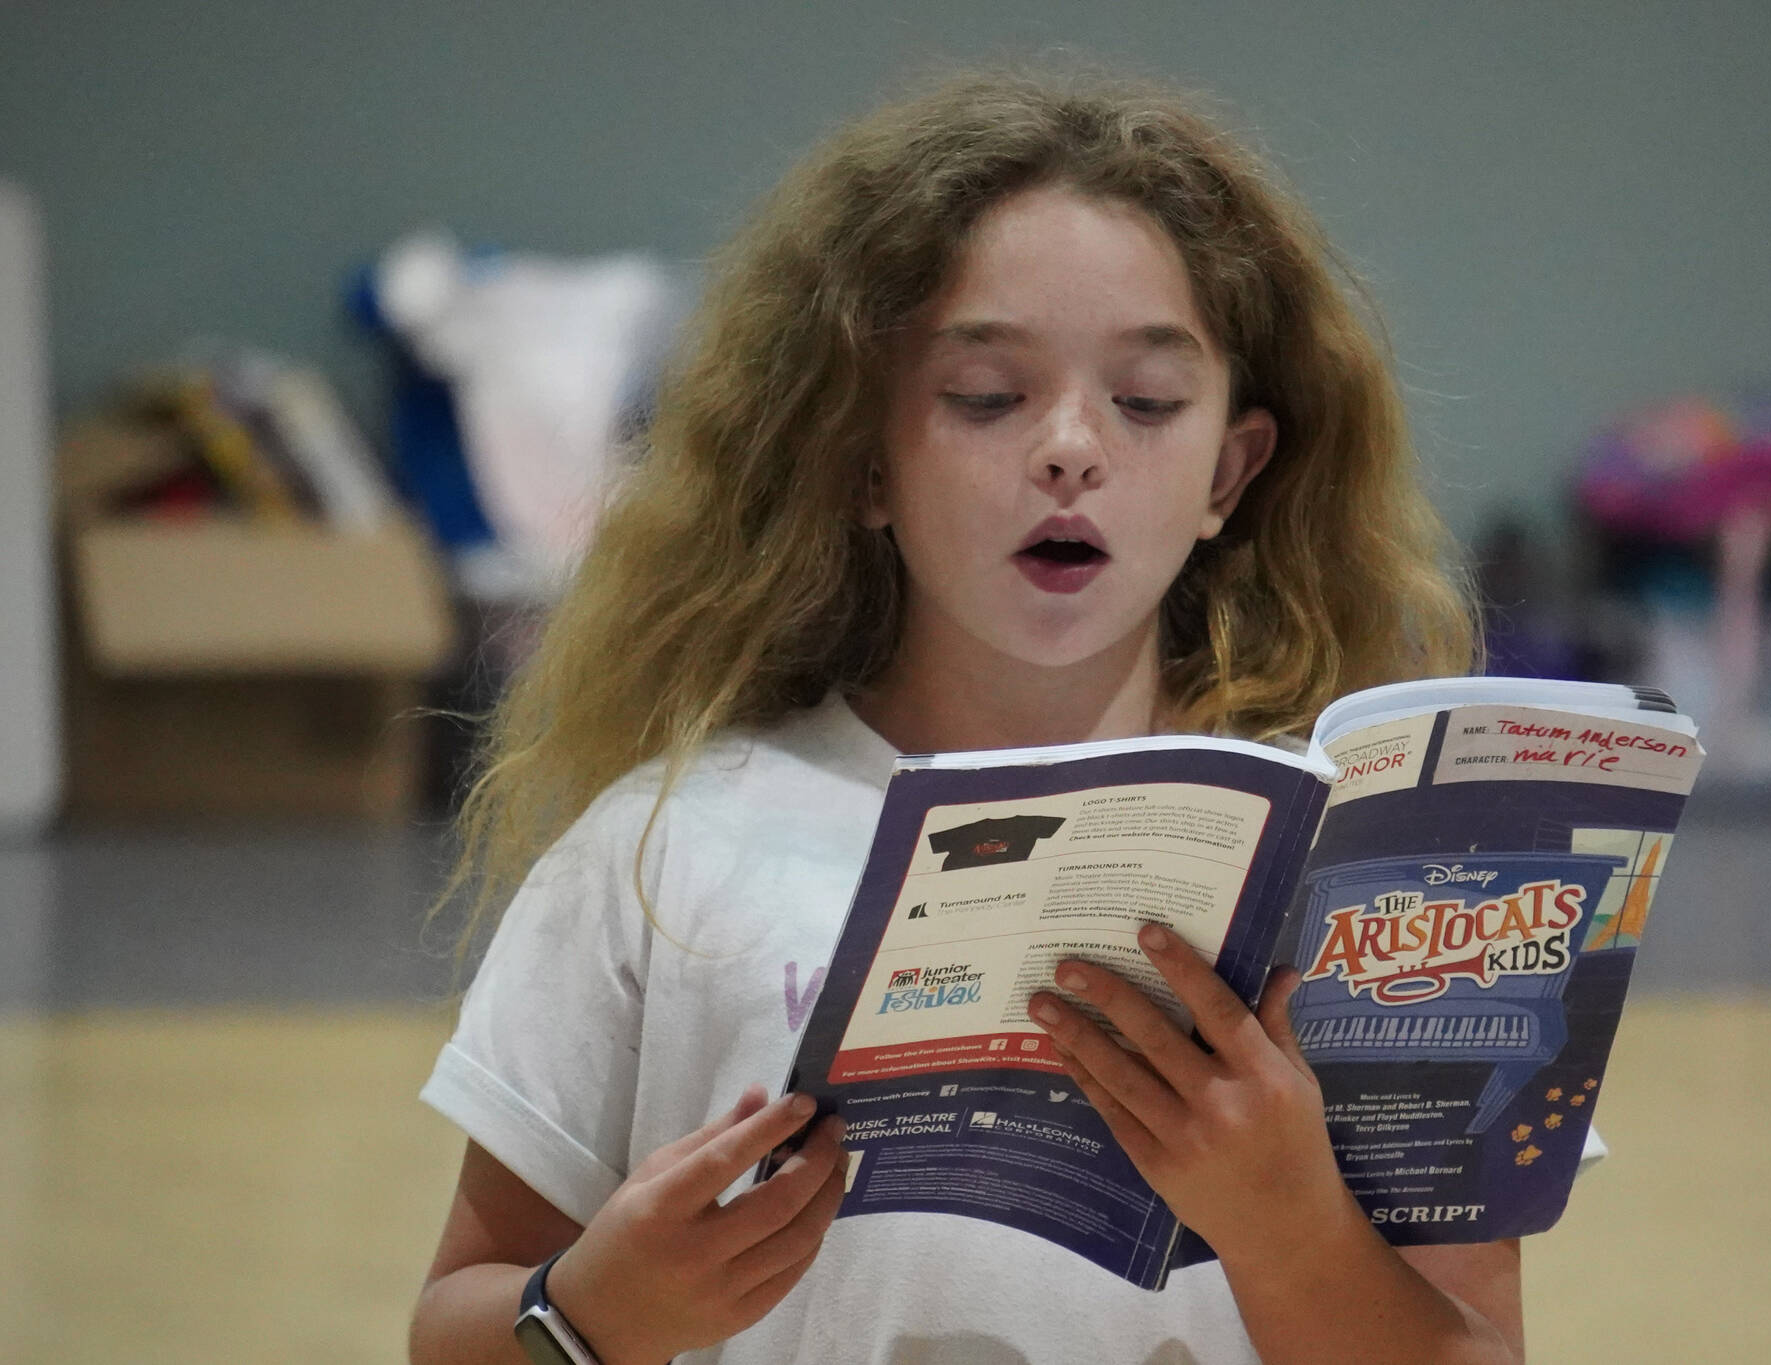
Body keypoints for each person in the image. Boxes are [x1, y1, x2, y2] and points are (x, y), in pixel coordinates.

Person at [409, 66, 1528, 1365]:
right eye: (987, 395)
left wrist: (1291, 1229)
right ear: (864, 461)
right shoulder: (660, 853)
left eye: (1148, 401)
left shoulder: (1374, 880)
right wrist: (592, 1316)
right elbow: (456, 1326)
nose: (1069, 447)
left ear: (1230, 469)